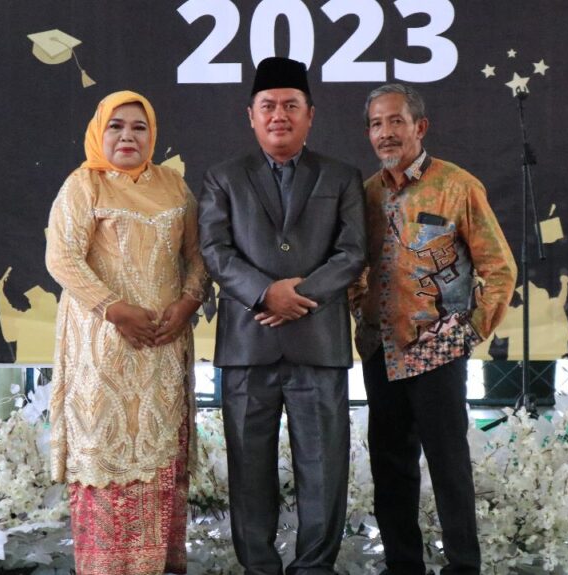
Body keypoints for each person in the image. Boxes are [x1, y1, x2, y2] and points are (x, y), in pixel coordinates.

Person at [199, 56, 367, 575]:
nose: (279, 115)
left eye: (291, 105)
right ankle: (259, 568)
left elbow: (353, 252)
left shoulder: (342, 176)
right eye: (268, 106)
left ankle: (314, 568)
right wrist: (264, 294)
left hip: (318, 344)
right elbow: (215, 250)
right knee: (248, 470)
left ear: (310, 114)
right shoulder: (223, 177)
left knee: (324, 468)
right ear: (250, 115)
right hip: (247, 346)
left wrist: (300, 295)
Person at [350, 83, 517, 575]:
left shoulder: (458, 186)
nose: (386, 132)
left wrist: (467, 332)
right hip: (382, 350)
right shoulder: (365, 194)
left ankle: (463, 566)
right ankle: (403, 565)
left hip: (439, 352)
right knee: (390, 468)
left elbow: (500, 269)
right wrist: (361, 311)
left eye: (395, 121)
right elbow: (354, 266)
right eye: (376, 124)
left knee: (449, 467)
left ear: (419, 127)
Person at [46, 90, 206, 575]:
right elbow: (62, 258)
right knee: (105, 467)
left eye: (139, 127)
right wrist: (114, 310)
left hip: (162, 349)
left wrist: (187, 304)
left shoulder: (174, 186)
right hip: (102, 354)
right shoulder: (84, 184)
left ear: (152, 134)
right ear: (100, 132)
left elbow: (198, 257)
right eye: (116, 126)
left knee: (159, 467)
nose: (127, 136)